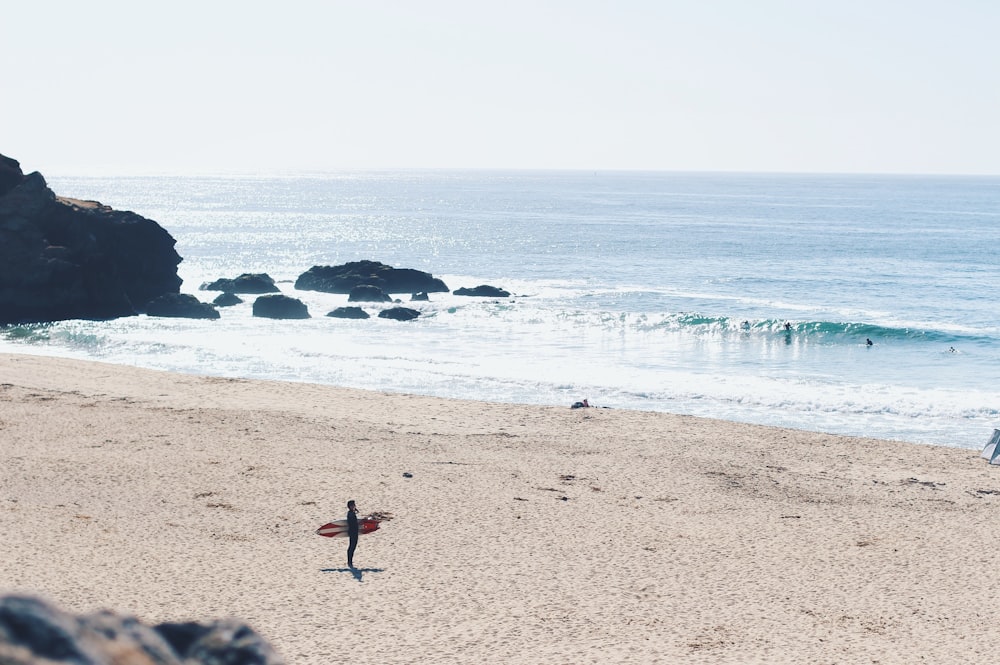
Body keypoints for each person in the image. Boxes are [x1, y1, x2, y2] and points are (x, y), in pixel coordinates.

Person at [346, 499, 359, 568]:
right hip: (352, 532)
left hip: (354, 532)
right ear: (350, 506)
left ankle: (350, 561)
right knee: (351, 547)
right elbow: (352, 524)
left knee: (353, 547)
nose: (354, 506)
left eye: (354, 505)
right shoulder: (350, 514)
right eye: (353, 505)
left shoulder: (352, 513)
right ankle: (349, 562)